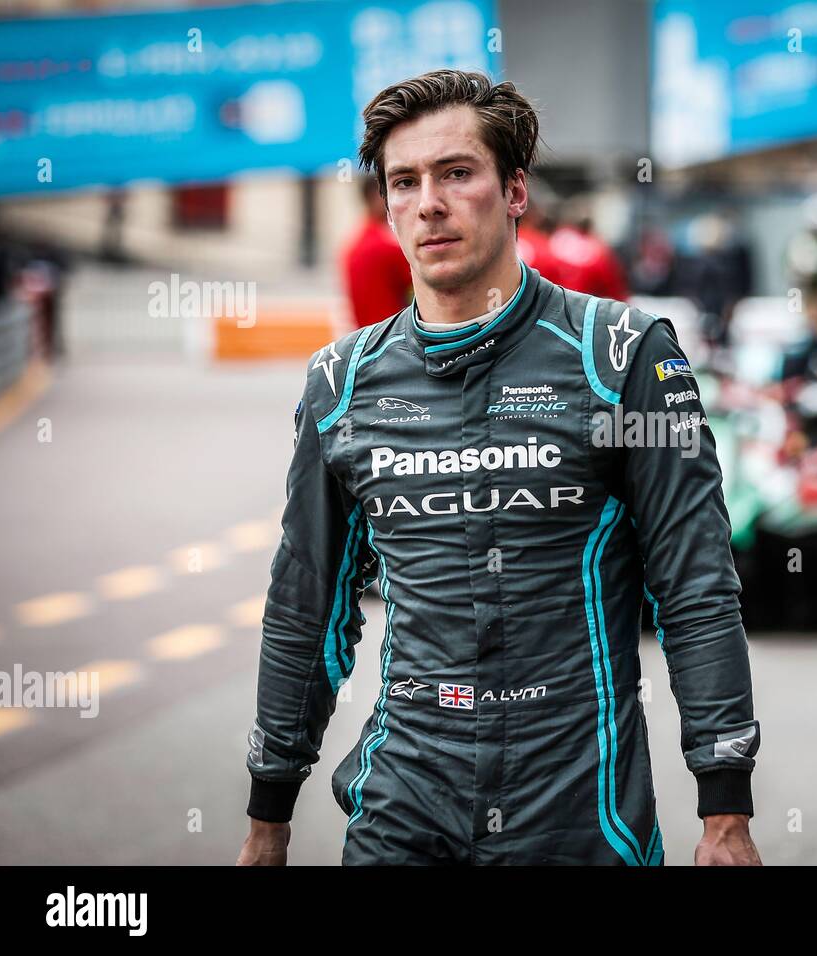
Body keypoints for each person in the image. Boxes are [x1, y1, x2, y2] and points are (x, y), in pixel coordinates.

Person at [237, 70, 761, 866]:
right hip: (403, 806)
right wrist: (267, 816)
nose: (429, 203)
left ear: (515, 188)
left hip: (580, 812)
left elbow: (696, 585)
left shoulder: (625, 357)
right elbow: (307, 605)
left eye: (457, 173)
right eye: (404, 182)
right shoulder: (339, 385)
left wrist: (726, 809)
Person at [340, 176, 413, 328]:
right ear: (376, 197)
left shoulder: (355, 243)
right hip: (391, 335)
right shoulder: (383, 246)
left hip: (369, 335)